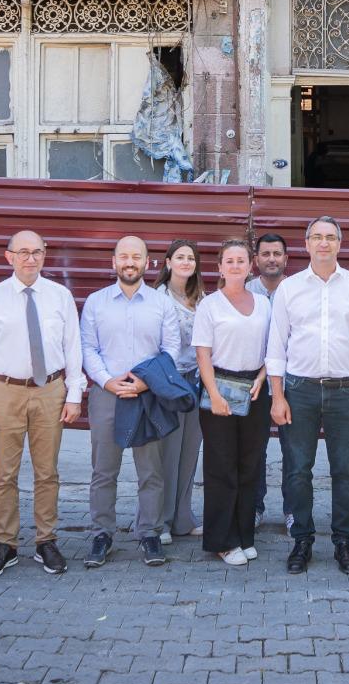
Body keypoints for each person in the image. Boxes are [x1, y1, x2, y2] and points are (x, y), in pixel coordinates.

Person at [0, 230, 85, 578]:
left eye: (36, 252)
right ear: (9, 257)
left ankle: (45, 541)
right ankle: (5, 544)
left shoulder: (60, 296)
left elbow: (72, 347)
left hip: (50, 390)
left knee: (47, 472)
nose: (30, 258)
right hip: (4, 391)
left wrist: (74, 395)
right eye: (22, 252)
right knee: (5, 474)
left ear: (45, 255)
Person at [266, 215, 349, 576]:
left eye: (330, 237)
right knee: (298, 470)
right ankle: (302, 540)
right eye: (317, 237)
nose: (324, 243)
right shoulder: (290, 288)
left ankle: (343, 542)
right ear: (307, 243)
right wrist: (277, 396)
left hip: (347, 390)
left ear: (340, 244)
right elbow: (276, 347)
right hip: (299, 390)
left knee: (345, 470)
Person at [81, 236, 180, 568]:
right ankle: (101, 535)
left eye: (136, 256)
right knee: (103, 470)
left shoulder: (161, 303)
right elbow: (88, 348)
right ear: (113, 262)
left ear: (147, 262)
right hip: (107, 394)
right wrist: (108, 381)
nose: (129, 262)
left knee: (150, 470)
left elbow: (171, 350)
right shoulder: (96, 302)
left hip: (147, 396)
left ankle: (149, 533)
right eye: (123, 256)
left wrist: (143, 383)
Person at [193, 239, 271, 565]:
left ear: (250, 265)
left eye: (241, 260)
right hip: (220, 388)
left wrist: (263, 376)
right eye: (230, 260)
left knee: (250, 465)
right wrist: (213, 395)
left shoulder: (264, 302)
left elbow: (276, 345)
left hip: (255, 388)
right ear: (220, 267)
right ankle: (222, 541)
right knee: (221, 467)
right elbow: (202, 353)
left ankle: (244, 534)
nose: (236, 266)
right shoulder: (209, 305)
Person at [155, 240, 205, 545]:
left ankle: (183, 518)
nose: (186, 262)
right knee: (166, 455)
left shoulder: (201, 298)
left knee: (189, 453)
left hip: (196, 382)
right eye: (180, 257)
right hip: (168, 383)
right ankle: (158, 520)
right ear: (168, 262)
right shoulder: (156, 298)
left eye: (191, 258)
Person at [247, 232, 290, 528]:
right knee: (254, 448)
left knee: (294, 450)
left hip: (293, 383)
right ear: (256, 260)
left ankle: (293, 511)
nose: (272, 259)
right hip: (254, 384)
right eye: (266, 254)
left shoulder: (299, 289)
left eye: (277, 253)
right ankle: (254, 506)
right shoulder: (244, 290)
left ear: (286, 259)